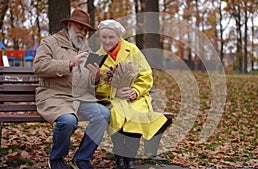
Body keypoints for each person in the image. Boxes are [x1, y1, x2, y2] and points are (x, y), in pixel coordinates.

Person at [33, 9, 110, 169]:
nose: (82, 32)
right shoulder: (50, 42)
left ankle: (82, 158)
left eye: (85, 30)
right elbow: (39, 66)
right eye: (79, 28)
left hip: (78, 99)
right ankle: (56, 159)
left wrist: (95, 77)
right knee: (68, 120)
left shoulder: (86, 50)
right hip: (54, 96)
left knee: (103, 114)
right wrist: (69, 63)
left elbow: (87, 84)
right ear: (69, 25)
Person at [95, 19, 172, 169]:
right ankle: (119, 157)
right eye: (104, 37)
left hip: (135, 96)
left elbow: (146, 74)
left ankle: (129, 159)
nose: (107, 41)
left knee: (136, 113)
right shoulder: (97, 55)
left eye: (111, 37)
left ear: (119, 36)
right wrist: (115, 92)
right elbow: (94, 85)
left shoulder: (132, 50)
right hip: (113, 98)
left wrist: (135, 91)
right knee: (115, 114)